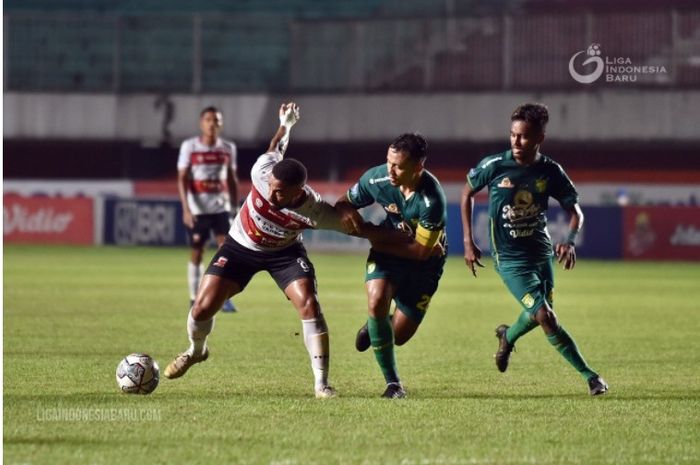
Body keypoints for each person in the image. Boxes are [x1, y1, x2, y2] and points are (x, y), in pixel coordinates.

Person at [164, 102, 359, 399]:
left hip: (285, 253)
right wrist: (286, 124)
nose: (270, 192)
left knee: (309, 304)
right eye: (270, 185)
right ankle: (196, 351)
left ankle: (321, 384)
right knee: (202, 307)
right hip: (241, 246)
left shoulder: (315, 211)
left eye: (279, 191)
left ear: (298, 192)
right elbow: (275, 147)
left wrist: (395, 234)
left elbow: (354, 227)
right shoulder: (262, 172)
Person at [460, 103, 608, 396]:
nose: (516, 141)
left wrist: (570, 238)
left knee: (538, 313)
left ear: (540, 137)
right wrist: (468, 241)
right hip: (509, 259)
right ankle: (590, 376)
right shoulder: (494, 166)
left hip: (541, 253)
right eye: (513, 135)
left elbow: (576, 211)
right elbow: (466, 192)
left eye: (524, 136)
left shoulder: (550, 171)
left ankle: (507, 336)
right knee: (546, 316)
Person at [335, 133, 447, 399]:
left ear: (419, 166)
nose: (391, 171)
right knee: (376, 300)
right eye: (388, 162)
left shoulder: (432, 200)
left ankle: (376, 324)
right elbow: (344, 202)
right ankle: (393, 384)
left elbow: (420, 252)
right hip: (390, 252)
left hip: (424, 263)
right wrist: (347, 211)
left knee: (398, 336)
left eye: (399, 166)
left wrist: (373, 236)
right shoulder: (377, 178)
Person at [177, 106, 239, 313]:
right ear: (201, 123)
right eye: (208, 120)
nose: (212, 124)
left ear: (221, 124)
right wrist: (186, 209)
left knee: (228, 252)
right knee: (197, 253)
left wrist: (234, 207)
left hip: (220, 209)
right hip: (197, 210)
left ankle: (224, 298)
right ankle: (195, 297)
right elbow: (182, 178)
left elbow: (231, 179)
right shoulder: (190, 147)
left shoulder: (228, 148)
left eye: (216, 120)